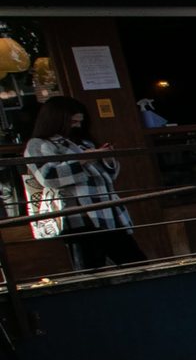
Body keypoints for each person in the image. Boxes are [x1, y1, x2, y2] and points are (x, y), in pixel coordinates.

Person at [24, 96, 147, 270]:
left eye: (80, 122)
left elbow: (108, 176)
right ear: (57, 120)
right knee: (90, 268)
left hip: (107, 210)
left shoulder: (83, 141)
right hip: (76, 214)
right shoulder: (38, 144)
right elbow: (48, 177)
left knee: (137, 263)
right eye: (73, 122)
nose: (77, 126)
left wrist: (106, 157)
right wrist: (85, 159)